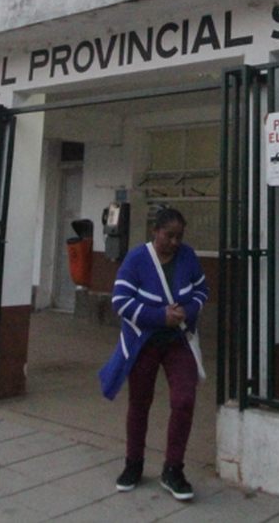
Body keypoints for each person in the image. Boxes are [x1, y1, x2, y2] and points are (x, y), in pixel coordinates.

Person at [98, 206, 207, 501]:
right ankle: (133, 464)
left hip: (178, 342)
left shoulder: (187, 257)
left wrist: (188, 310)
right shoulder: (136, 259)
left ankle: (173, 469)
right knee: (139, 403)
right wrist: (159, 316)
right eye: (169, 235)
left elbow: (201, 290)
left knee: (184, 400)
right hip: (144, 343)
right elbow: (120, 301)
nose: (174, 242)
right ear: (155, 231)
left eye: (179, 236)